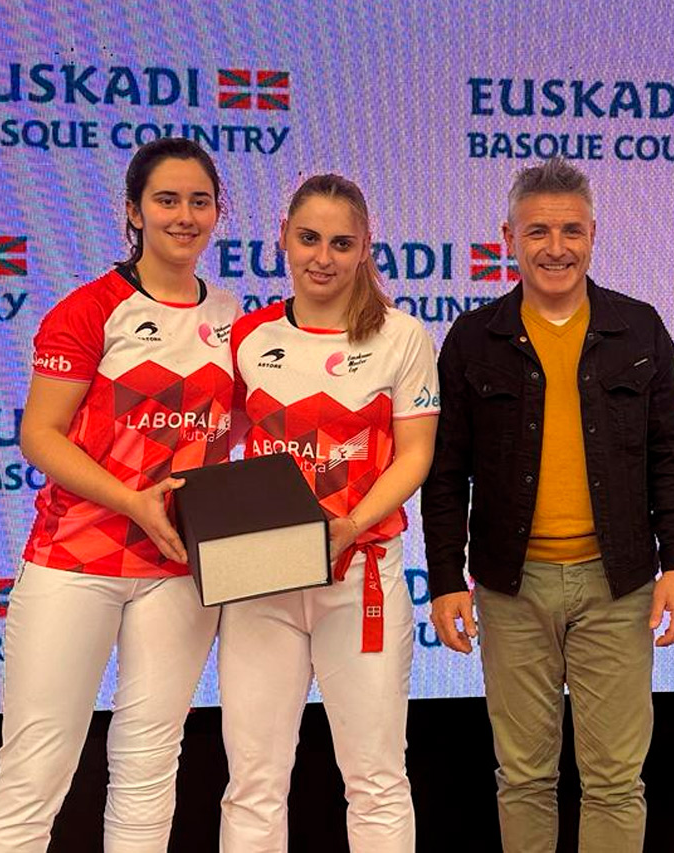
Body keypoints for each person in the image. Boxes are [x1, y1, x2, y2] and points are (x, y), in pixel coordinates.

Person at [422, 156, 674, 852]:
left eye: (571, 230)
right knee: (523, 777)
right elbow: (445, 472)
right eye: (537, 231)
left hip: (618, 585)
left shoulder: (639, 329)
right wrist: (445, 578)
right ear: (508, 237)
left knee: (615, 781)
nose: (555, 247)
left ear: (594, 234)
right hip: (511, 587)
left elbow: (672, 456)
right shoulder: (473, 338)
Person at [0, 138, 236, 852]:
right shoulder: (89, 309)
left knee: (150, 767)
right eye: (166, 200)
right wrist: (132, 500)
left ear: (217, 212)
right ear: (134, 211)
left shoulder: (232, 315)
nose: (184, 216)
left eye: (200, 201)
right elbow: (40, 434)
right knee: (33, 772)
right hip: (75, 559)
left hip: (177, 567)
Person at [218, 174, 438, 852]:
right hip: (261, 578)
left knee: (375, 779)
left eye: (342, 243)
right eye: (309, 238)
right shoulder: (247, 335)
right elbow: (216, 443)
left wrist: (352, 525)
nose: (323, 257)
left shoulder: (401, 335)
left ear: (365, 247)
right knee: (253, 780)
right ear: (283, 238)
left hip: (360, 576)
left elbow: (415, 455)